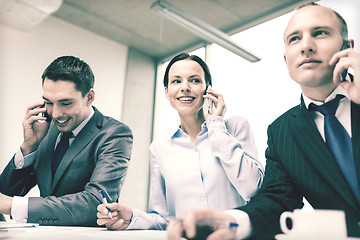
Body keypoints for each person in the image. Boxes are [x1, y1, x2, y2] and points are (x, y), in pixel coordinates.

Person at [167, 2, 360, 239]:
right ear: (285, 58)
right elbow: (276, 200)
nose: (306, 46)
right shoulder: (283, 131)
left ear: (347, 47)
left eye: (320, 33)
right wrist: (232, 221)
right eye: (295, 39)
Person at [97, 53, 264, 230]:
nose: (185, 87)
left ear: (208, 90)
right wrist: (132, 217)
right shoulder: (159, 148)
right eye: (176, 81)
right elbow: (163, 219)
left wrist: (217, 127)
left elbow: (253, 187)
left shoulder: (235, 127)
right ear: (167, 92)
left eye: (194, 80)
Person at [0, 56, 133, 226]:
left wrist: (12, 206)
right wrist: (29, 147)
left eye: (65, 103)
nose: (55, 114)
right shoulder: (45, 128)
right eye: (49, 103)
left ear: (89, 97)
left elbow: (96, 203)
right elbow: (5, 193)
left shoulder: (115, 134)